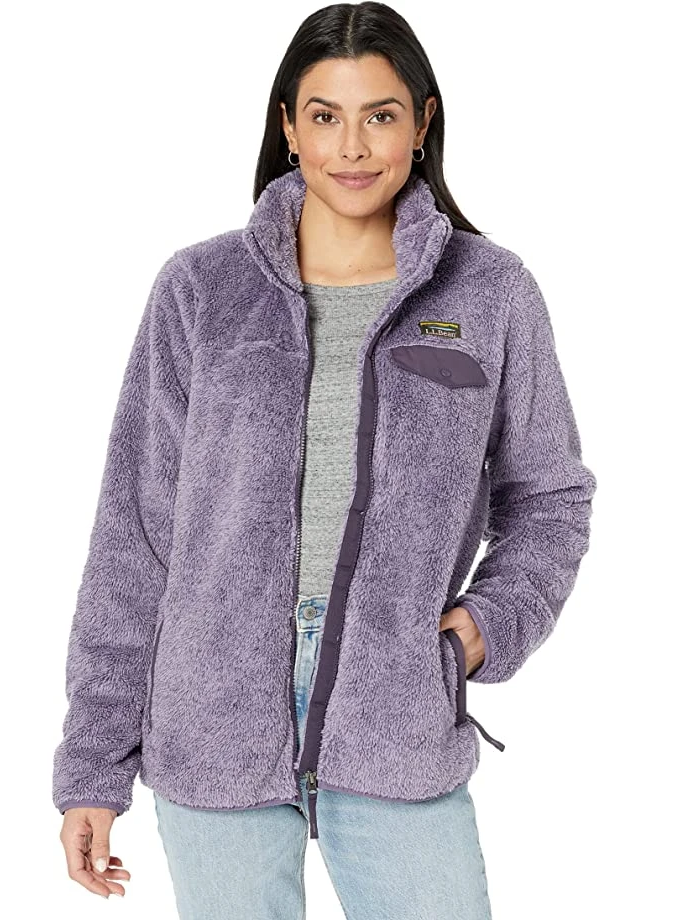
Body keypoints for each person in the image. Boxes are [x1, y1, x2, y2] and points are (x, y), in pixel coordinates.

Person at [54, 3, 597, 917]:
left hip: (396, 712)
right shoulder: (201, 289)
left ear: (421, 123)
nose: (352, 146)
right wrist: (93, 767)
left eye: (380, 115)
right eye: (324, 115)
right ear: (288, 127)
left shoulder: (490, 291)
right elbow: (135, 537)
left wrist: (482, 628)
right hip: (212, 718)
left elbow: (550, 498)